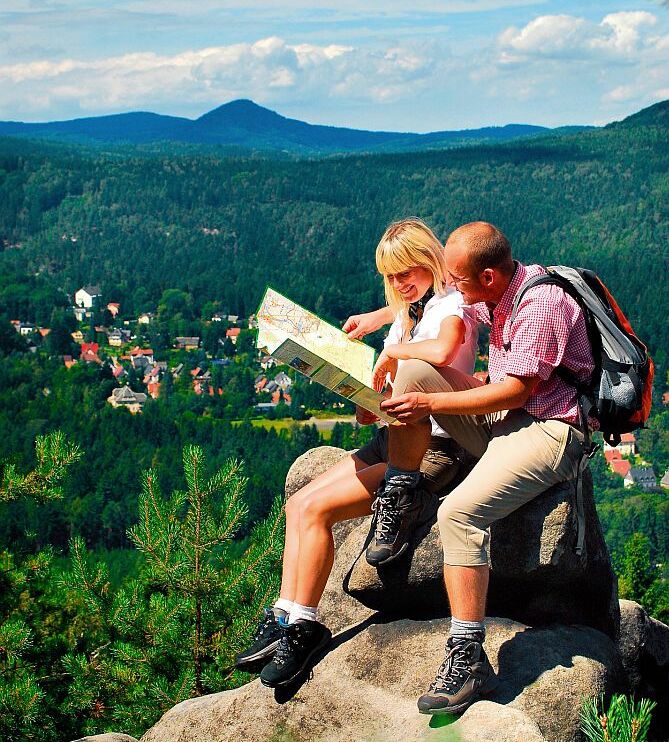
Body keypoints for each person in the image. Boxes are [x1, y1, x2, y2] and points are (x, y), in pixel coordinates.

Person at [234, 217, 478, 688]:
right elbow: (389, 376)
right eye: (390, 275)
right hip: (394, 434)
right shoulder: (408, 309)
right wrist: (368, 400)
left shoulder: (452, 303)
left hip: (433, 446)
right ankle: (285, 615)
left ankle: (305, 628)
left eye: (406, 270)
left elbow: (447, 346)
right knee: (298, 504)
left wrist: (397, 355)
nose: (399, 282)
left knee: (320, 510)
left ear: (429, 259)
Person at [379, 221, 594, 715]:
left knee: (457, 513)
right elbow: (448, 306)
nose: (451, 286)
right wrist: (378, 326)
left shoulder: (541, 305)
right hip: (506, 419)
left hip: (550, 428)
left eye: (459, 279)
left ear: (490, 277)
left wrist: (433, 403)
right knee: (413, 371)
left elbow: (518, 390)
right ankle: (402, 488)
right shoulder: (496, 289)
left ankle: (468, 654)